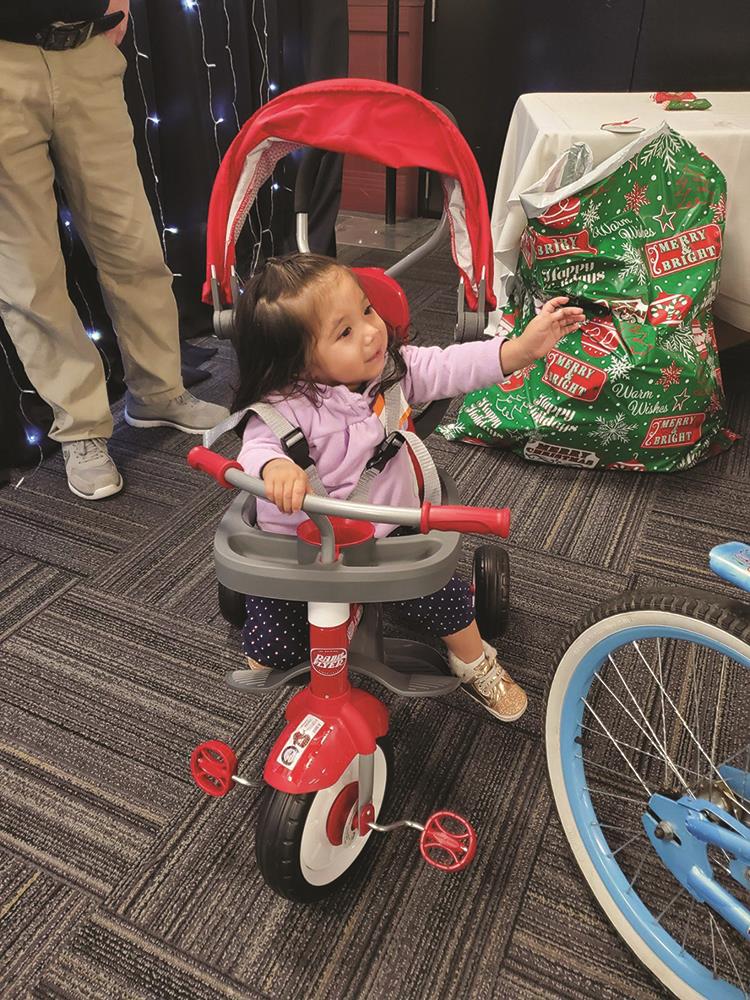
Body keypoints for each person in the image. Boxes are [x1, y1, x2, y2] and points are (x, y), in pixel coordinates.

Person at [233, 254, 584, 722]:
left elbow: (454, 366)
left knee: (446, 602)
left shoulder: (395, 371)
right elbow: (255, 448)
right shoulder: (283, 405)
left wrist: (519, 350)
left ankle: (474, 662)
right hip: (300, 547)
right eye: (345, 332)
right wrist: (275, 467)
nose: (372, 331)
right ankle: (287, 655)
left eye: (366, 311)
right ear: (295, 359)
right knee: (268, 647)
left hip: (386, 529)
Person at [0, 1, 229, 501]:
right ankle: (81, 427)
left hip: (85, 50)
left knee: (134, 247)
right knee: (29, 274)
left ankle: (158, 391)